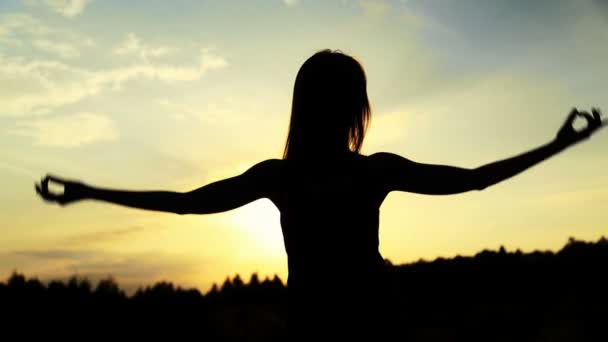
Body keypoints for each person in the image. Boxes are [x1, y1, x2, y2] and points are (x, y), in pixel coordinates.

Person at [36, 49, 604, 338]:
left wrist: (88, 191)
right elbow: (476, 178)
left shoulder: (283, 177)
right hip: (363, 327)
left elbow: (184, 202)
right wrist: (558, 147)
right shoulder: (370, 171)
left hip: (330, 329)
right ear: (355, 109)